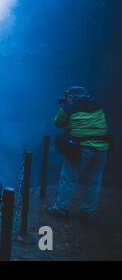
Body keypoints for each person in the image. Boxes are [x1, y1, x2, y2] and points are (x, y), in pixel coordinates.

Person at [47, 86, 109, 221]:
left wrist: (65, 107)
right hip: (102, 148)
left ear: (73, 97)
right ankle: (88, 212)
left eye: (69, 96)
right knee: (94, 181)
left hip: (81, 148)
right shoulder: (98, 104)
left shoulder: (69, 108)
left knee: (69, 178)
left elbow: (57, 123)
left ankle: (61, 208)